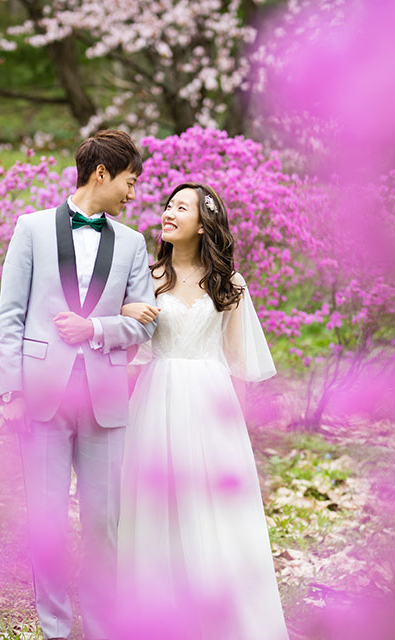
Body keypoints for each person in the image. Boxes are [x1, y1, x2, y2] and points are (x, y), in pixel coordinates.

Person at [0, 130, 157, 640]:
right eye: (130, 181)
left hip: (106, 402)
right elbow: (10, 317)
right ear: (102, 173)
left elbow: (146, 322)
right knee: (47, 523)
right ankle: (55, 629)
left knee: (105, 525)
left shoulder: (132, 243)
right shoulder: (32, 229)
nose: (134, 193)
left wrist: (99, 329)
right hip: (41, 398)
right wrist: (10, 391)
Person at [116, 183, 289, 639]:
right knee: (158, 505)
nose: (168, 213)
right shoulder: (147, 278)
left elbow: (237, 362)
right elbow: (130, 355)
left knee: (213, 509)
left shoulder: (229, 284)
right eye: (168, 206)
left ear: (203, 222)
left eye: (181, 208)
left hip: (212, 404)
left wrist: (240, 436)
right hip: (156, 401)